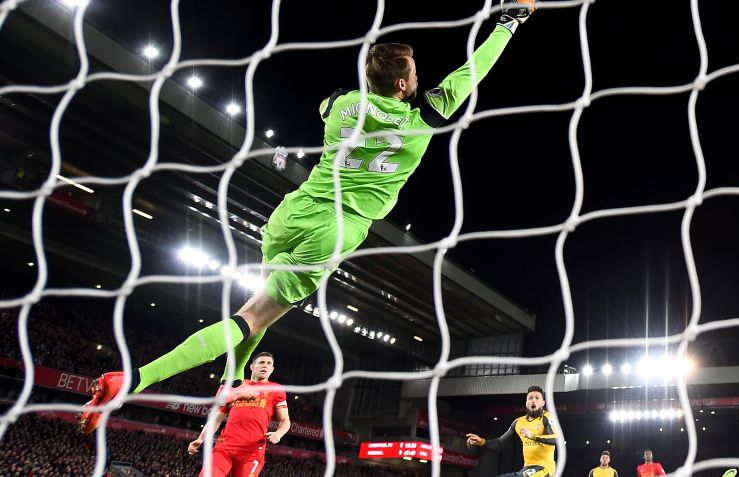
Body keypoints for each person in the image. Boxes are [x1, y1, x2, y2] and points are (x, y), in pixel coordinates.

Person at [76, 0, 537, 434]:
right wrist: (509, 22)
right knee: (253, 316)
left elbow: (328, 105)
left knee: (257, 312)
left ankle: (233, 380)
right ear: (402, 85)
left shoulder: (340, 104)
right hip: (336, 229)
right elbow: (472, 70)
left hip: (292, 212)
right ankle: (133, 380)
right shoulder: (422, 121)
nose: (418, 77)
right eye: (414, 73)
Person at [187, 352, 289, 477]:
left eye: (269, 364)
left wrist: (279, 433)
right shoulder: (236, 386)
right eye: (261, 362)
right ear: (252, 366)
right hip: (224, 448)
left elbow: (285, 420)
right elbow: (217, 419)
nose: (265, 366)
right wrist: (200, 439)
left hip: (252, 452)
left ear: (272, 369)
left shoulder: (276, 390)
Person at [465, 385, 558, 477]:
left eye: (537, 398)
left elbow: (556, 439)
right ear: (526, 403)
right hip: (527, 469)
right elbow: (499, 443)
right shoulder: (518, 422)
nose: (533, 400)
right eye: (530, 398)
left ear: (543, 403)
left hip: (544, 468)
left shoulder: (547, 417)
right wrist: (481, 441)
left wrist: (533, 436)